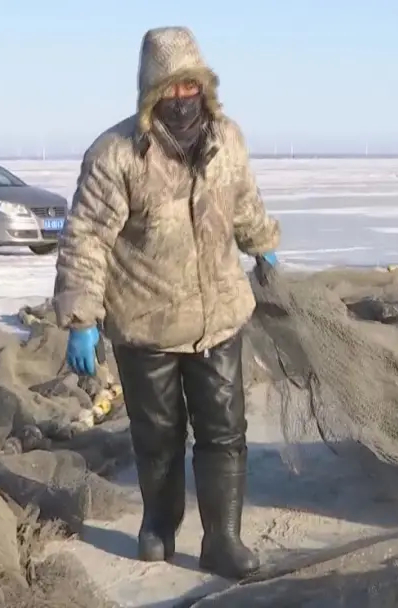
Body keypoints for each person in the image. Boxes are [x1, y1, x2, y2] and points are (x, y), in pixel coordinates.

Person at [52, 26, 280, 581]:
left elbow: (244, 203)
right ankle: (159, 524)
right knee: (158, 437)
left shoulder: (228, 140)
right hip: (146, 324)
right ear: (151, 93)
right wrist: (81, 317)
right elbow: (86, 237)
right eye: (168, 89)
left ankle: (222, 540)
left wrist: (265, 249)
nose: (181, 99)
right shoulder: (116, 154)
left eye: (189, 86)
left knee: (225, 432)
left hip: (219, 317)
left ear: (204, 86)